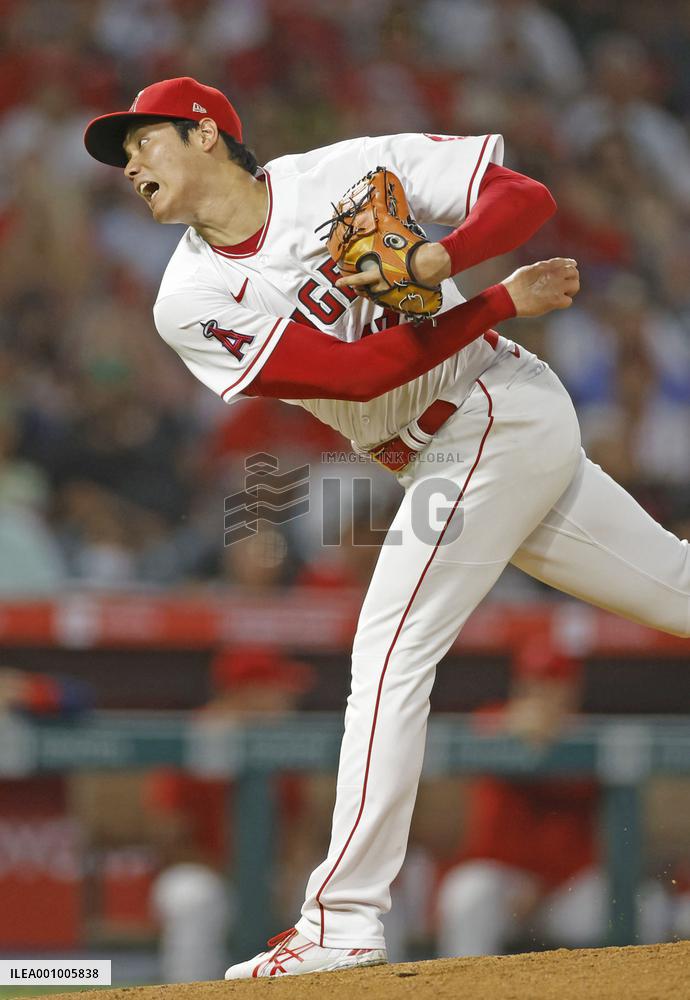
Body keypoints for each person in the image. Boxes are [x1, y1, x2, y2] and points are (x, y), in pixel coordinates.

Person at [83, 77, 690, 978]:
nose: (130, 163)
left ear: (206, 134)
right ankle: (345, 918)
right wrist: (495, 300)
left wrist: (443, 263)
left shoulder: (339, 172)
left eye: (143, 140)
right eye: (122, 154)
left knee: (389, 650)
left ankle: (343, 920)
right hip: (451, 438)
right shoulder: (188, 297)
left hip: (492, 413)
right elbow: (357, 376)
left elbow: (525, 196)